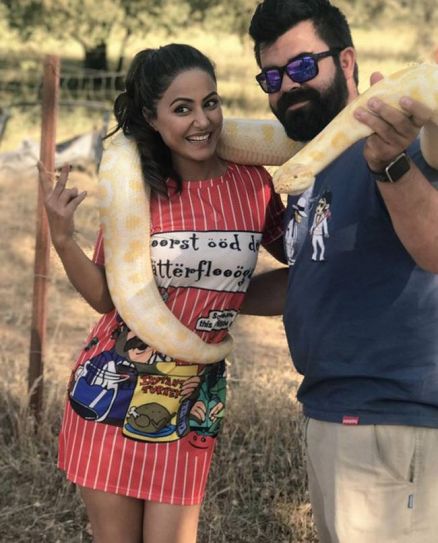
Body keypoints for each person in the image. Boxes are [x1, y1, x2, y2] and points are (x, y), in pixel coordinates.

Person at [38, 43, 285, 543]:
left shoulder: (253, 185)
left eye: (210, 103)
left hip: (194, 395)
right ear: (152, 119)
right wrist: (63, 240)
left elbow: (306, 262)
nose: (202, 121)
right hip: (113, 388)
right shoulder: (136, 188)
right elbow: (107, 298)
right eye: (182, 108)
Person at [243, 1, 438, 542]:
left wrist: (389, 164)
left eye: (303, 66)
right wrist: (212, 295)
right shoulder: (312, 164)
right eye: (272, 77)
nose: (288, 85)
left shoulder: (403, 138)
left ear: (347, 61)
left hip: (394, 418)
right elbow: (313, 275)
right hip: (330, 412)